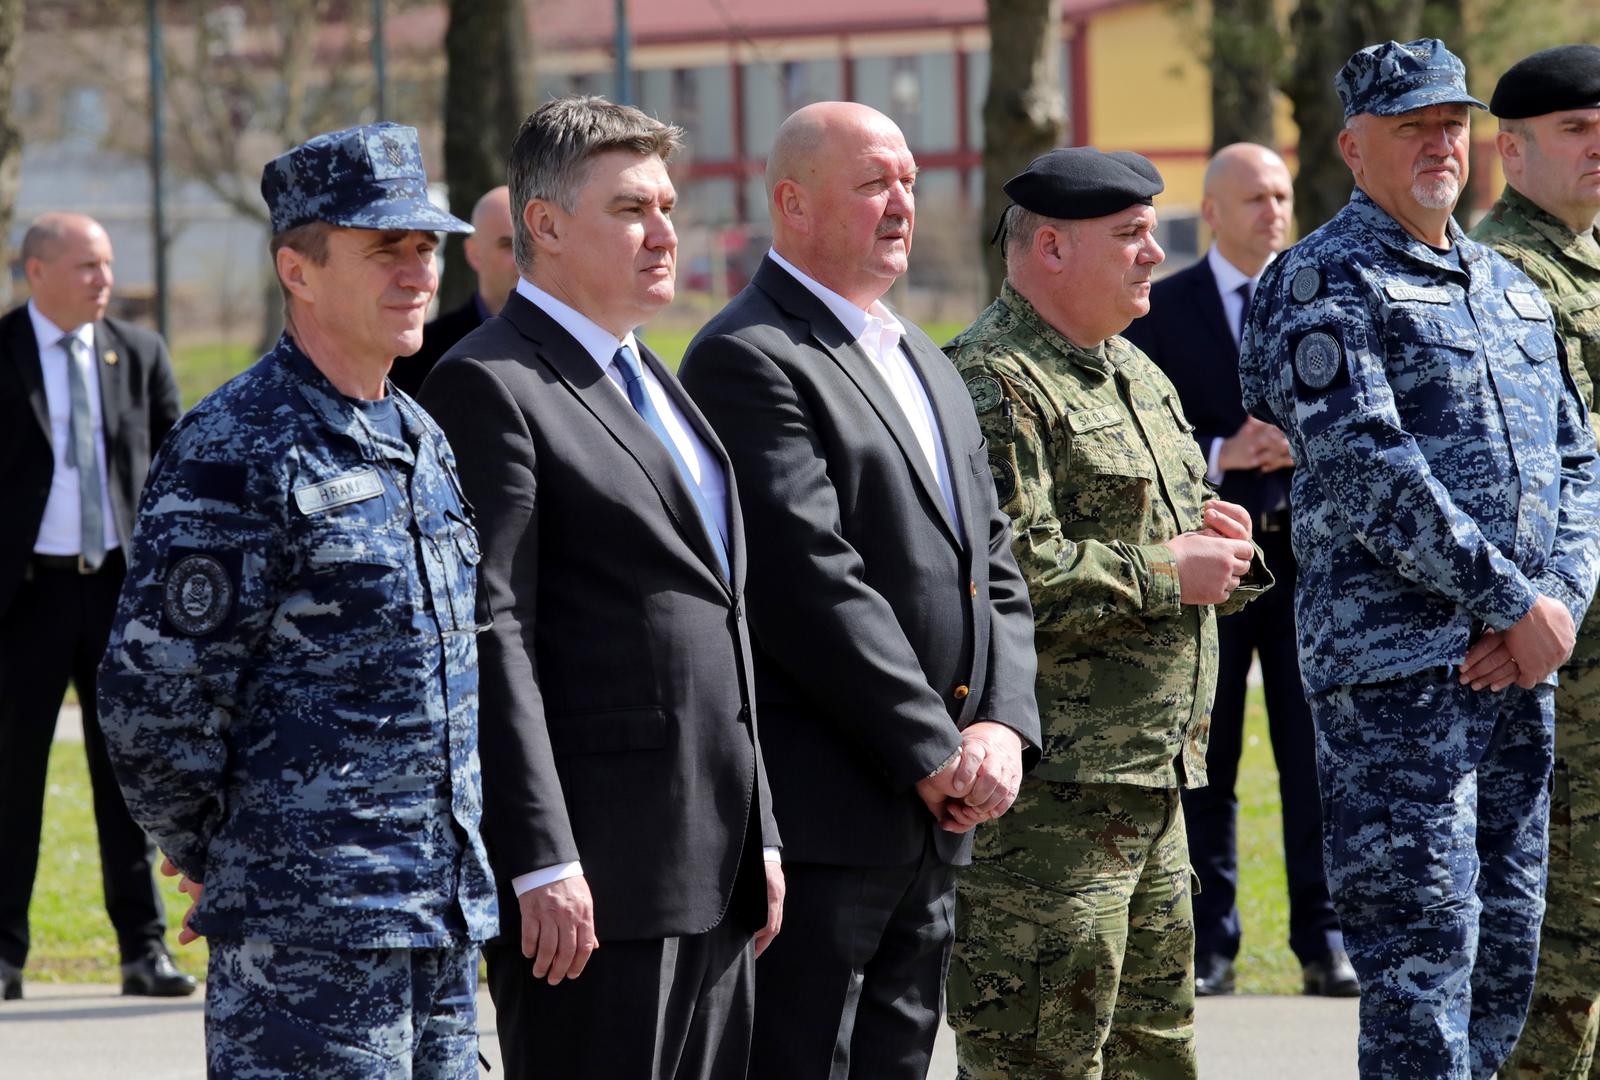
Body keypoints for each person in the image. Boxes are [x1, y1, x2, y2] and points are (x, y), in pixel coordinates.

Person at [96, 122, 497, 1076]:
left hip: (437, 926)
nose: (416, 274)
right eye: (381, 249)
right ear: (299, 269)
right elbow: (152, 694)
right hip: (306, 942)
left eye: (425, 248)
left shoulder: (419, 435)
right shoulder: (241, 446)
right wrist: (220, 851)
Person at [1238, 38, 1600, 1078]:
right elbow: (1366, 464)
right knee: (1421, 972)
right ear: (1353, 148)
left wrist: (1552, 607)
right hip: (1400, 683)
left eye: (1451, 123)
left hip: (1519, 673)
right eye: (1411, 128)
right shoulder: (1322, 279)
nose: (1440, 144)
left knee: (1506, 960)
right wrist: (1505, 601)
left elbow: (1579, 456)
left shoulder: (1503, 283)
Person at [418, 96, 783, 1080]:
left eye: (668, 205)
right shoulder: (490, 384)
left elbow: (717, 613)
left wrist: (763, 837)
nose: (665, 232)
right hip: (592, 884)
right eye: (631, 210)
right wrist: (539, 855)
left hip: (714, 866)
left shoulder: (651, 376)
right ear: (544, 225)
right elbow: (489, 631)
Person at [678, 100, 1042, 1080]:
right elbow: (810, 580)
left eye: (910, 182)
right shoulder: (748, 356)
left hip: (934, 821)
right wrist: (931, 748)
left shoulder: (922, 355)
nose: (901, 203)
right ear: (791, 204)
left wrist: (1002, 727)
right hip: (828, 822)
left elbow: (992, 563)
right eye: (873, 181)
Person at [945, 147, 1270, 1078]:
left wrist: (1221, 545)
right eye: (1129, 236)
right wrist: (1172, 572)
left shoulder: (1136, 371)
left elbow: (1163, 536)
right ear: (1049, 247)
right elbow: (1004, 574)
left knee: (1154, 1054)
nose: (1152, 256)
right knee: (1039, 1060)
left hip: (1151, 786)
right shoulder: (993, 380)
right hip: (1051, 804)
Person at [1123, 143, 1353, 998]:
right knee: (1210, 760)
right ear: (1212, 212)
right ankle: (1211, 941)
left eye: (1283, 196)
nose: (1274, 213)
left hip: (1308, 566)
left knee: (1311, 757)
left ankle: (1322, 943)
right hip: (1212, 565)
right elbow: (1145, 427)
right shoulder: (1161, 307)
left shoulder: (1321, 299)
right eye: (1255, 198)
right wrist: (1225, 451)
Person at [0, 212, 187, 1002]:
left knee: (128, 778)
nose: (103, 280)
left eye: (107, 265)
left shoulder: (138, 353)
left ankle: (143, 953)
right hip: (25, 598)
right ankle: (4, 955)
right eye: (85, 266)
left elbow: (177, 463)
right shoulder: (1, 353)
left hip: (120, 595)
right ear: (35, 271)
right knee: (12, 781)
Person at [1470, 43, 1600, 1078]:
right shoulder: (1502, 275)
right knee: (1557, 947)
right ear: (1508, 152)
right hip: (1564, 671)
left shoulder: (1588, 262)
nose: (1598, 141)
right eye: (1573, 127)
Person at [390, 184, 516, 397]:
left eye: (532, 245)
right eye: (509, 245)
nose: (524, 258)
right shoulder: (418, 354)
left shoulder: (568, 343)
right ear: (473, 253)